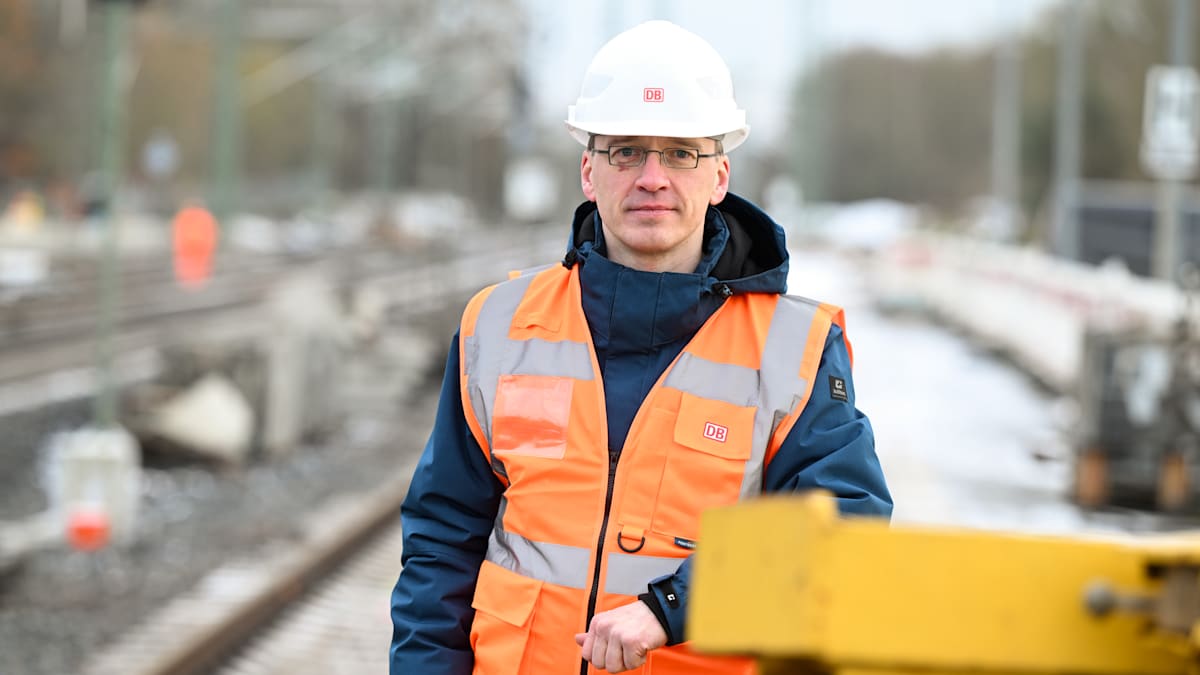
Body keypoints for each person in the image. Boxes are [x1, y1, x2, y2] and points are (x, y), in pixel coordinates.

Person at [390, 20, 892, 675]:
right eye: (627, 151)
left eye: (680, 153)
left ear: (718, 176)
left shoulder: (793, 350)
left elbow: (842, 526)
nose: (652, 177)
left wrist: (671, 606)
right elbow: (441, 537)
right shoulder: (498, 326)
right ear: (589, 172)